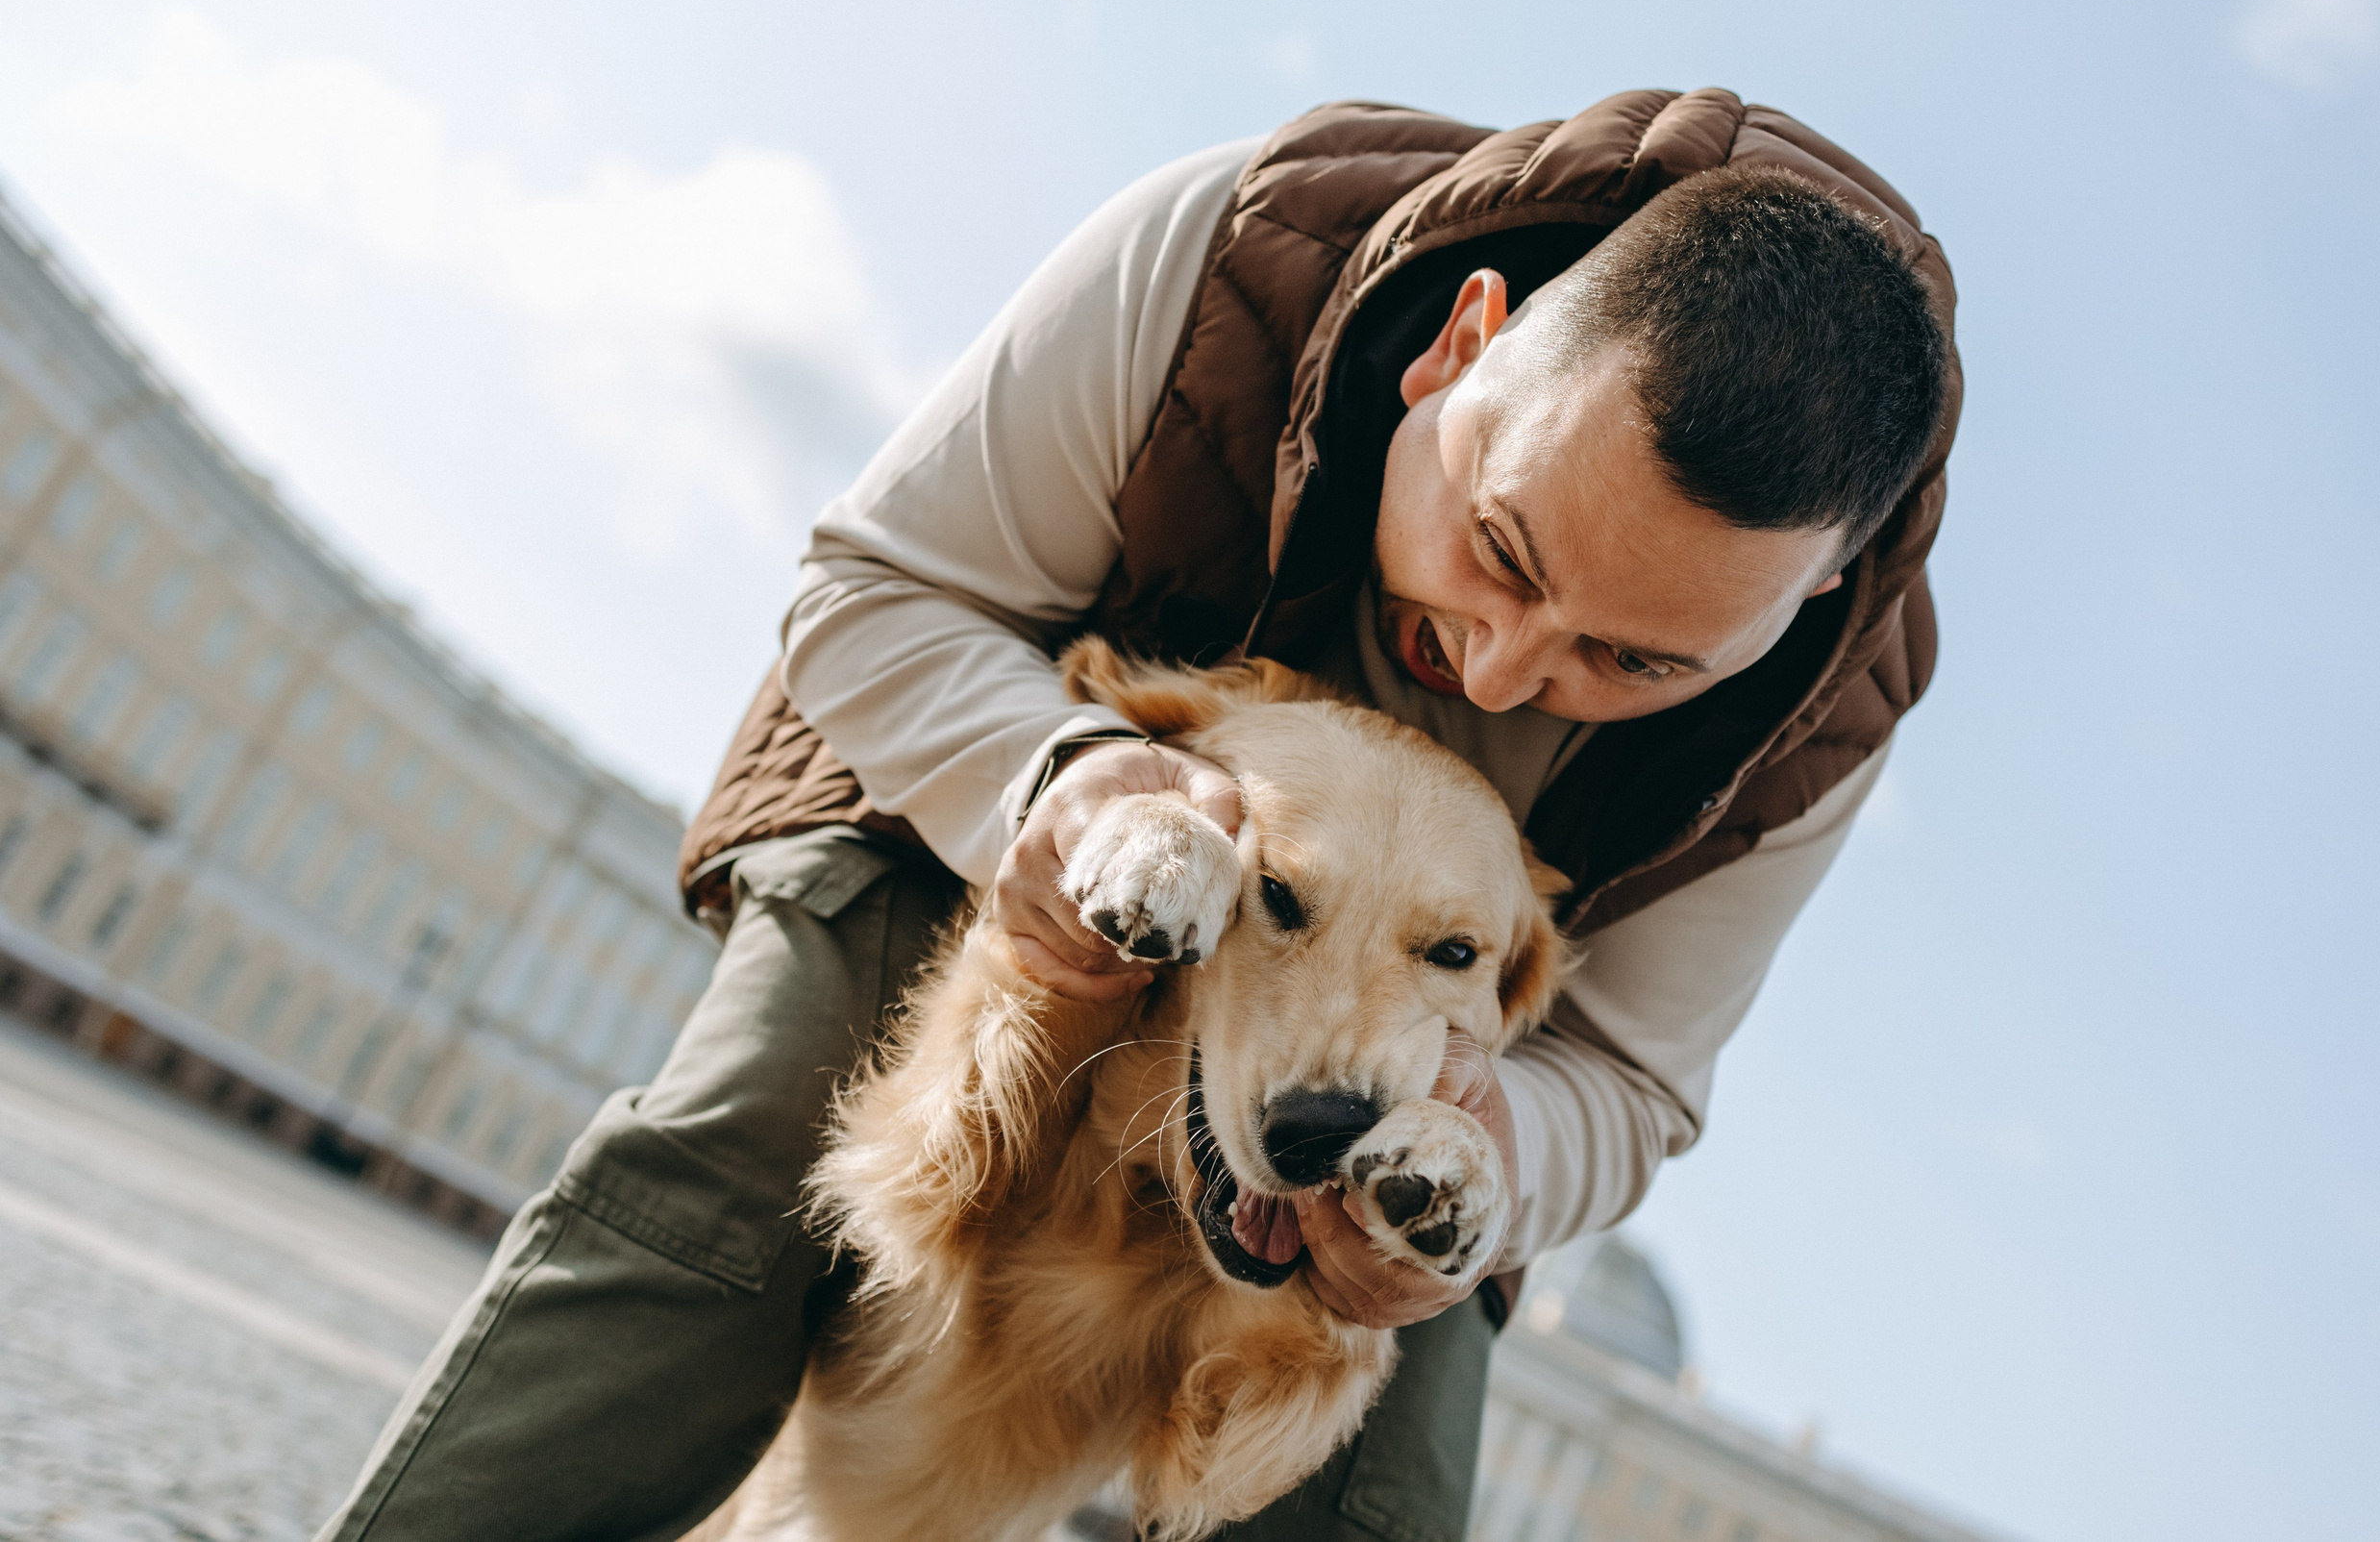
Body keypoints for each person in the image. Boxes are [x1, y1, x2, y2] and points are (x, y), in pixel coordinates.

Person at [319, 87, 1960, 1542]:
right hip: (972, 800)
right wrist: (1065, 785)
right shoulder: (1217, 254)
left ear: (1804, 605)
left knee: (1378, 1495)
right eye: (1504, 548)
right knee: (735, 1170)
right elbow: (876, 593)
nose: (1500, 664)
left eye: (1632, 658)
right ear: (1462, 347)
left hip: (1417, 1041)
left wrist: (1495, 1160)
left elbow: (1626, 1076)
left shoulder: (1832, 717)